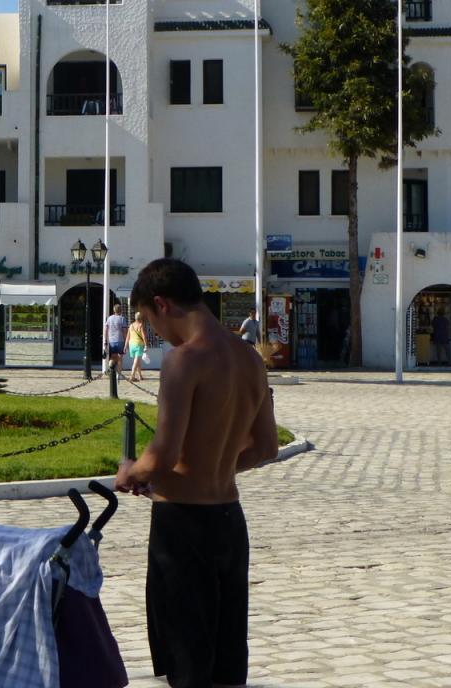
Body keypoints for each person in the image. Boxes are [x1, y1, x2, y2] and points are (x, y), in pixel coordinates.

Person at [115, 259, 279, 688]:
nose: (156, 333)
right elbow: (266, 447)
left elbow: (164, 453)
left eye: (150, 322)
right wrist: (220, 465)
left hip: (183, 526)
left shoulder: (184, 361)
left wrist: (132, 471)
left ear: (161, 304)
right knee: (226, 663)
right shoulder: (249, 359)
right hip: (229, 521)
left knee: (186, 665)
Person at [103, 303, 129, 377]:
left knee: (113, 357)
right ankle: (119, 374)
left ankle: (110, 369)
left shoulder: (109, 318)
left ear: (114, 310)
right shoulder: (122, 319)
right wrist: (126, 341)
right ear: (120, 310)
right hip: (120, 340)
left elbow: (105, 330)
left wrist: (105, 340)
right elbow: (124, 332)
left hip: (112, 341)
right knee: (120, 357)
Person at [127, 311, 148, 382]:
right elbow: (144, 336)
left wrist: (125, 345)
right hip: (138, 344)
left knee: (137, 360)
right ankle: (132, 376)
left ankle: (140, 376)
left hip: (131, 345)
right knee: (136, 361)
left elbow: (128, 336)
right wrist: (146, 345)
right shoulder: (141, 325)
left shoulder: (131, 325)